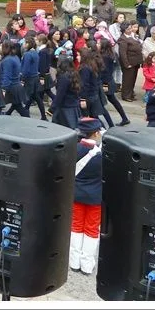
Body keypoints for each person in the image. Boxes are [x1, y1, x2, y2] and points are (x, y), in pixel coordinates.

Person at [69, 118, 103, 275]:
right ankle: (87, 264)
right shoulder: (101, 154)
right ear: (96, 133)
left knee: (75, 226)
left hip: (76, 195)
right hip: (95, 198)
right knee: (91, 229)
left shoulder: (74, 149)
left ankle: (74, 261)